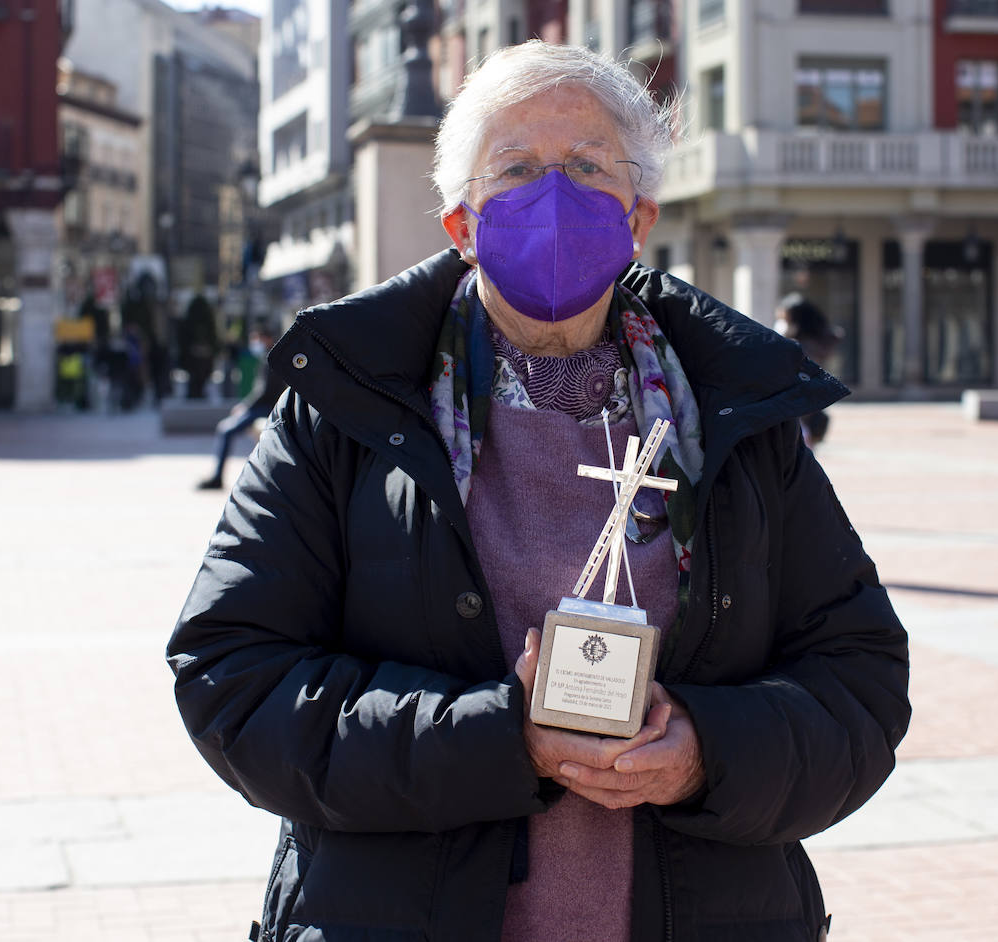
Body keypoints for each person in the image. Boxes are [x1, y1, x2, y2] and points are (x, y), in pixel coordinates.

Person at [167, 42, 910, 942]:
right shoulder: (350, 406)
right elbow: (234, 678)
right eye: (515, 169)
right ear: (462, 224)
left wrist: (708, 753)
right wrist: (494, 741)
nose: (552, 196)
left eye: (587, 167)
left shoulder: (736, 415)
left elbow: (860, 680)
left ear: (637, 217)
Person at [196, 325, 286, 490]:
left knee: (226, 430)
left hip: (266, 408)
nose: (255, 343)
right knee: (225, 429)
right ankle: (217, 476)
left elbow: (265, 392)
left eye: (257, 339)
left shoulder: (272, 358)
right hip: (262, 407)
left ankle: (217, 477)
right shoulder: (269, 357)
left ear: (267, 339)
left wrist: (245, 407)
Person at [774, 293, 843, 446]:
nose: (781, 323)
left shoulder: (801, 346)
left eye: (785, 319)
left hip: (797, 409)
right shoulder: (820, 341)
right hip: (807, 409)